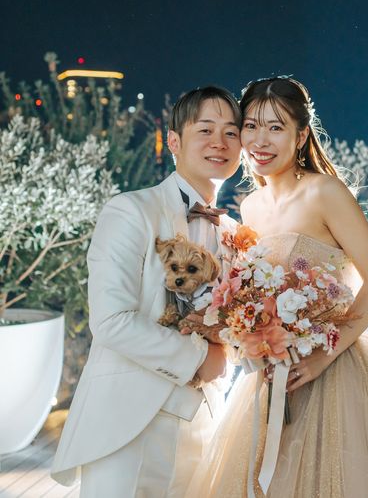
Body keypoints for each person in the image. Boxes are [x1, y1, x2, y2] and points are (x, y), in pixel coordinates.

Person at [188, 77, 368, 497]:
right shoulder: (250, 206)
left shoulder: (325, 192)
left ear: (300, 136)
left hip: (337, 371)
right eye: (252, 126)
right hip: (274, 373)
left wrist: (322, 357)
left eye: (276, 127)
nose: (260, 140)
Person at [51, 86, 242, 497]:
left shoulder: (235, 234)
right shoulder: (131, 211)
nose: (219, 142)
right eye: (205, 130)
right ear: (173, 141)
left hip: (206, 423)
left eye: (231, 132)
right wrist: (199, 359)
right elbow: (111, 322)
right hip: (128, 422)